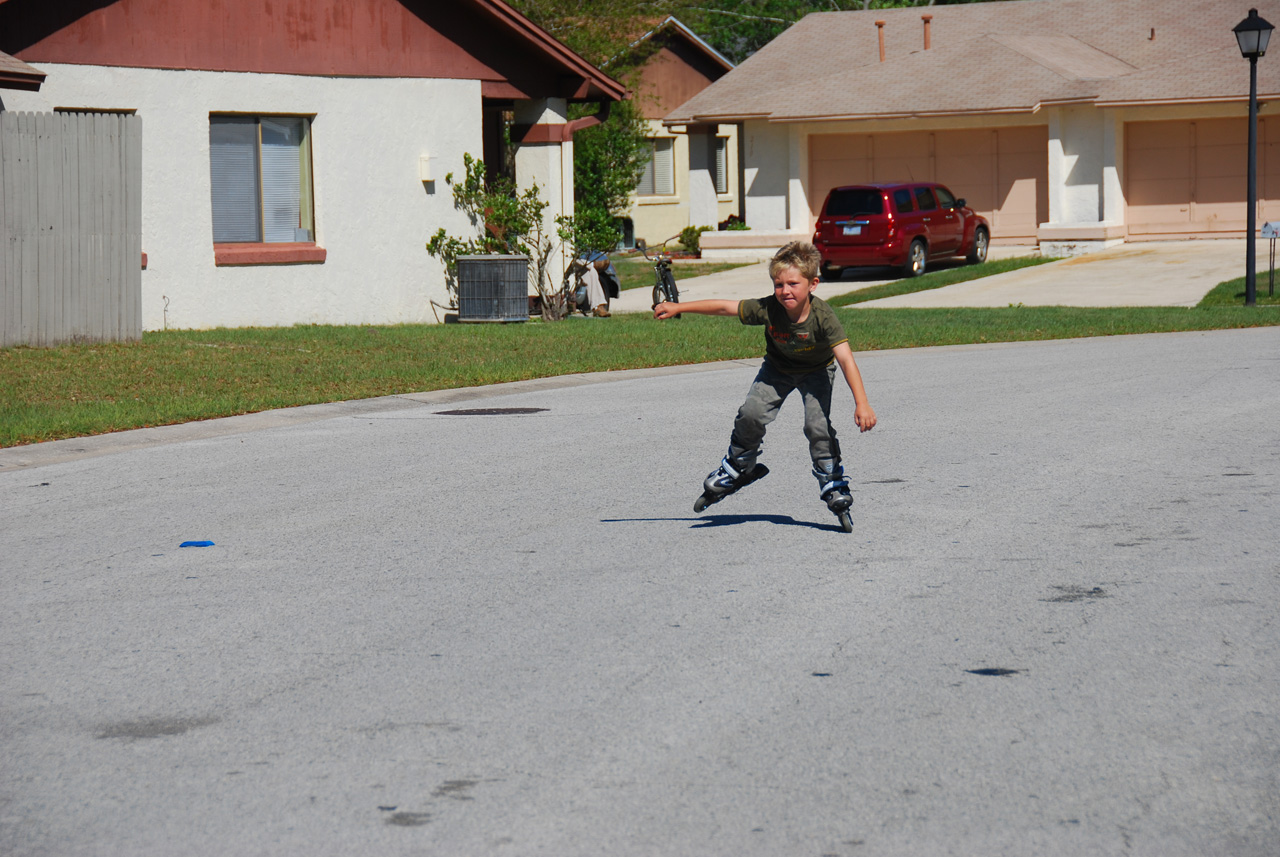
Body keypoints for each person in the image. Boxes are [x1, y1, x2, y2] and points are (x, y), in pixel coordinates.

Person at [653, 240, 876, 518]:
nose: (785, 291)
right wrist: (679, 307)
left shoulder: (824, 317)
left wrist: (862, 403)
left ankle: (831, 477)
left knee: (816, 425)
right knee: (751, 414)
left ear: (813, 284)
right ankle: (738, 464)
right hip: (778, 369)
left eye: (793, 284)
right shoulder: (768, 308)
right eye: (779, 285)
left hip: (816, 370)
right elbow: (725, 307)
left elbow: (845, 359)